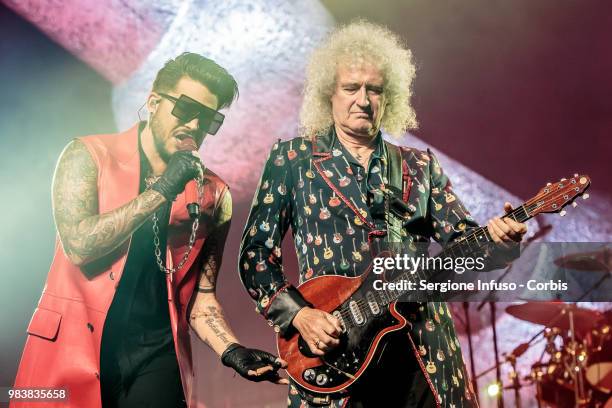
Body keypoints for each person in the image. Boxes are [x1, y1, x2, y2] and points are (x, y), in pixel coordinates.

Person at [238, 22, 527, 407]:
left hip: (421, 349)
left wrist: (501, 244)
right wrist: (300, 316)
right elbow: (256, 253)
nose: (363, 99)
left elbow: (463, 244)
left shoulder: (419, 166)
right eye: (351, 88)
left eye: (374, 90)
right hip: (336, 354)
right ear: (330, 95)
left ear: (388, 98)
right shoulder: (293, 159)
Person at [12, 52, 287, 408]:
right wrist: (161, 191)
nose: (194, 125)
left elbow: (201, 298)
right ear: (154, 102)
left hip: (156, 355)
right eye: (186, 110)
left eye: (208, 118)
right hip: (69, 350)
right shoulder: (87, 155)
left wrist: (232, 351)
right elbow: (79, 245)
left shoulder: (215, 196)